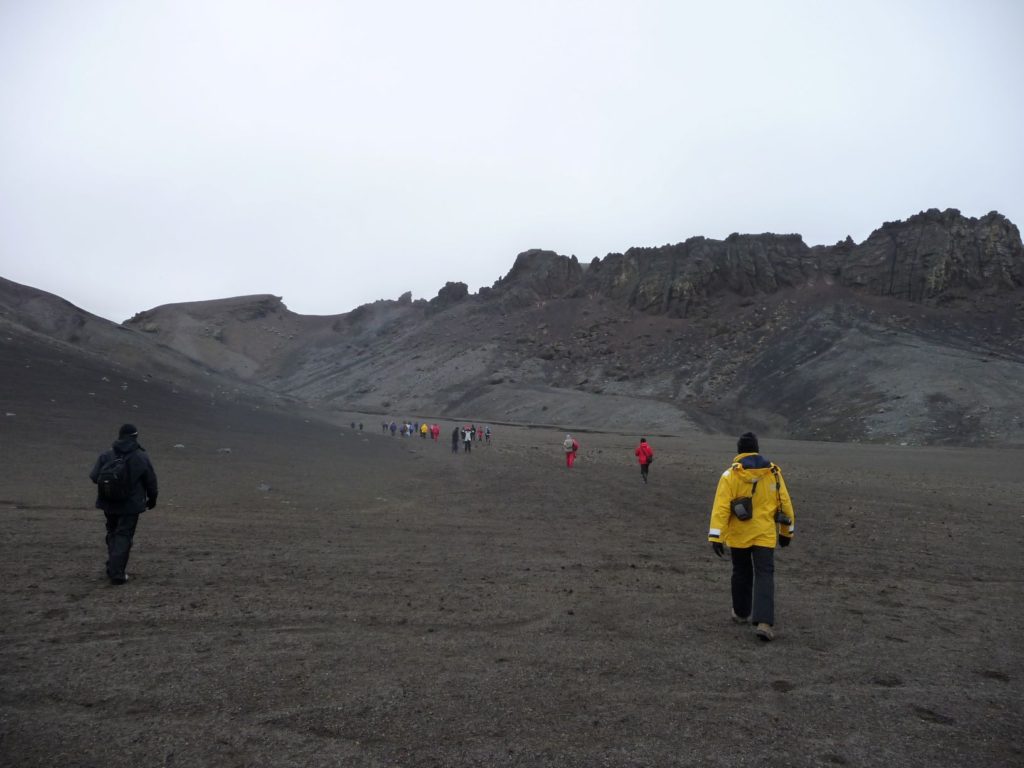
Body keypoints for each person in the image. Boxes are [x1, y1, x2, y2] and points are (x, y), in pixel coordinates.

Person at [707, 432, 795, 642]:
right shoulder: (773, 473)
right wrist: (786, 532)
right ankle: (764, 622)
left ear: (739, 451)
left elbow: (721, 508)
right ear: (757, 449)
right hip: (764, 534)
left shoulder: (730, 475)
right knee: (765, 574)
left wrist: (716, 536)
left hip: (740, 534)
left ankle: (741, 613)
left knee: (741, 572)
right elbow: (785, 503)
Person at [89, 423, 159, 585]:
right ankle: (117, 573)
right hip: (130, 505)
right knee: (123, 535)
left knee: (112, 532)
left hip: (108, 503)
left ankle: (112, 566)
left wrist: (112, 486)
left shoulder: (107, 454)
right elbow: (151, 481)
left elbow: (94, 477)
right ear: (135, 437)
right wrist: (152, 499)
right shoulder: (141, 456)